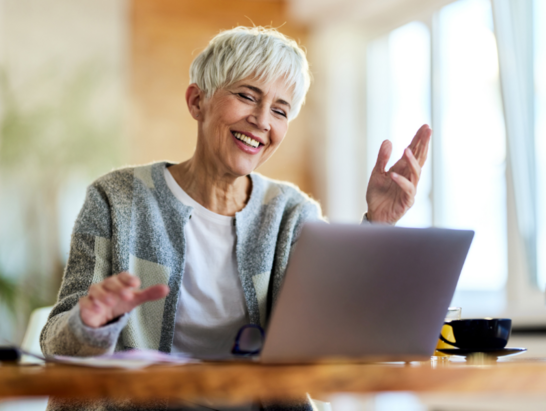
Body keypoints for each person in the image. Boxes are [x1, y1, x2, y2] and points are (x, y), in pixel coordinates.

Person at [40, 26, 431, 410]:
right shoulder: (117, 199)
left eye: (280, 110)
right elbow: (56, 344)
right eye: (247, 96)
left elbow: (336, 345)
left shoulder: (291, 215)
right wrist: (89, 324)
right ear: (197, 101)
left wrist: (378, 225)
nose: (262, 120)